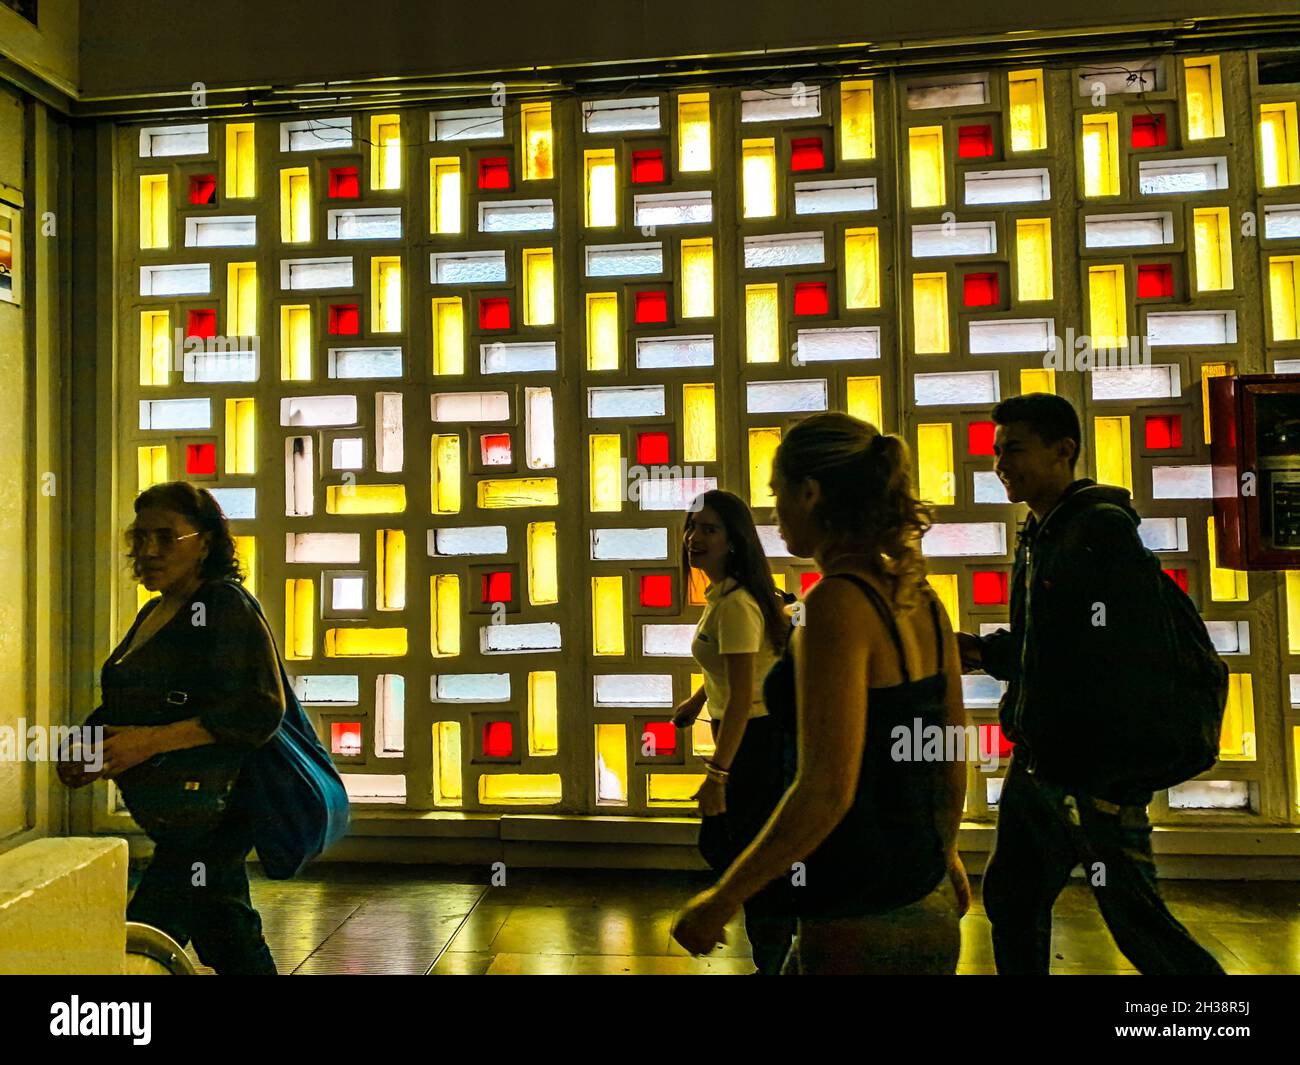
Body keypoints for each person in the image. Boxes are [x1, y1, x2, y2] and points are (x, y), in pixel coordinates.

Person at [672, 413, 970, 974]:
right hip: (924, 893)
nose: (774, 513)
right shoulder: (918, 596)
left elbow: (825, 788)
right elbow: (949, 748)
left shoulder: (834, 605)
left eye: (776, 493)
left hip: (856, 911)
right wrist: (946, 848)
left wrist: (723, 898)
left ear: (809, 493)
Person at [956, 393, 1224, 975]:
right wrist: (979, 652)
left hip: (1090, 775)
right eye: (997, 451)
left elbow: (1128, 656)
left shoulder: (1099, 531)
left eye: (1015, 450)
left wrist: (1113, 778)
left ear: (1064, 450)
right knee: (1013, 899)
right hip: (1040, 765)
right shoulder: (1041, 532)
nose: (1001, 463)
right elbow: (1049, 646)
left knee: (1136, 921)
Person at [58, 482, 285, 975]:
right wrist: (88, 744)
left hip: (216, 813)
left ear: (205, 543)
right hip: (181, 815)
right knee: (226, 933)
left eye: (167, 537)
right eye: (140, 538)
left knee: (141, 940)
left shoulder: (224, 605)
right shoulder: (156, 611)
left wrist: (149, 743)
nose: (150, 550)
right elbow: (132, 700)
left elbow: (259, 708)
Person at [671, 489, 794, 974]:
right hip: (742, 730)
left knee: (740, 852)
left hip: (755, 740)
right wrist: (698, 699)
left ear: (735, 541)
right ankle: (774, 931)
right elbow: (733, 671)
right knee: (731, 846)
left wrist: (718, 774)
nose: (694, 538)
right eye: (692, 527)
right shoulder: (722, 596)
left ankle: (775, 949)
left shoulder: (737, 604)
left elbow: (745, 694)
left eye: (709, 529)